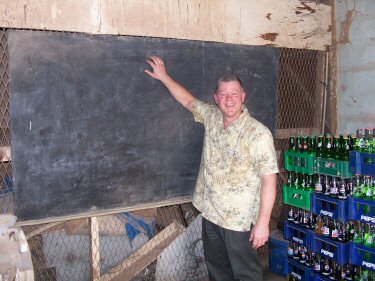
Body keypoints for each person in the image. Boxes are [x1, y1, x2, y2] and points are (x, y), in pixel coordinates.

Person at [145, 56, 279, 281]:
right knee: (217, 273)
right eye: (224, 94)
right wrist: (164, 77)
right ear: (216, 98)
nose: (229, 99)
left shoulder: (258, 134)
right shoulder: (212, 118)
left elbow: (269, 180)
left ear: (243, 97)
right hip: (211, 215)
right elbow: (188, 101)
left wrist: (263, 223)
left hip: (239, 221)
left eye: (234, 94)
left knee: (247, 275)